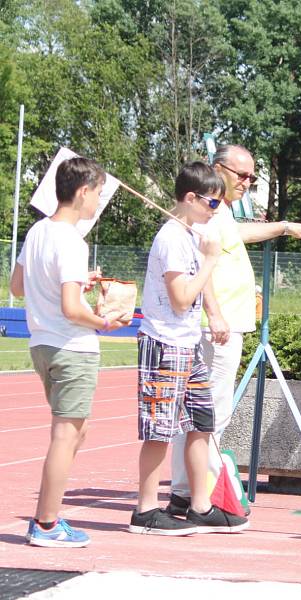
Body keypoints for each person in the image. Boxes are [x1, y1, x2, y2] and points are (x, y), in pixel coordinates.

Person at [167, 145, 301, 516]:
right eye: (241, 175)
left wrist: (282, 227)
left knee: (200, 412)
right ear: (218, 170)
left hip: (223, 324)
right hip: (216, 327)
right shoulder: (208, 212)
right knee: (210, 412)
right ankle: (206, 492)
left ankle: (187, 490)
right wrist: (214, 314)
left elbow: (238, 236)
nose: (247, 182)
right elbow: (202, 267)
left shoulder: (220, 212)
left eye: (252, 176)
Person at [10, 157, 127, 547]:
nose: (98, 202)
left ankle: (46, 519)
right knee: (66, 434)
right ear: (82, 192)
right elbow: (73, 309)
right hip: (71, 346)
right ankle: (46, 523)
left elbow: (17, 286)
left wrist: (77, 281)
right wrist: (104, 322)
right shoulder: (72, 241)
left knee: (76, 430)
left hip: (42, 344)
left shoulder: (38, 231)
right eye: (97, 193)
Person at [131, 162, 249, 535]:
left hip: (188, 342)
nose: (215, 212)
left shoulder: (193, 234)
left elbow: (200, 290)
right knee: (160, 428)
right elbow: (181, 298)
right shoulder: (171, 238)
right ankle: (146, 511)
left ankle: (200, 505)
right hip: (164, 342)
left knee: (201, 423)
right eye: (212, 204)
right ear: (189, 198)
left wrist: (214, 314)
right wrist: (212, 257)